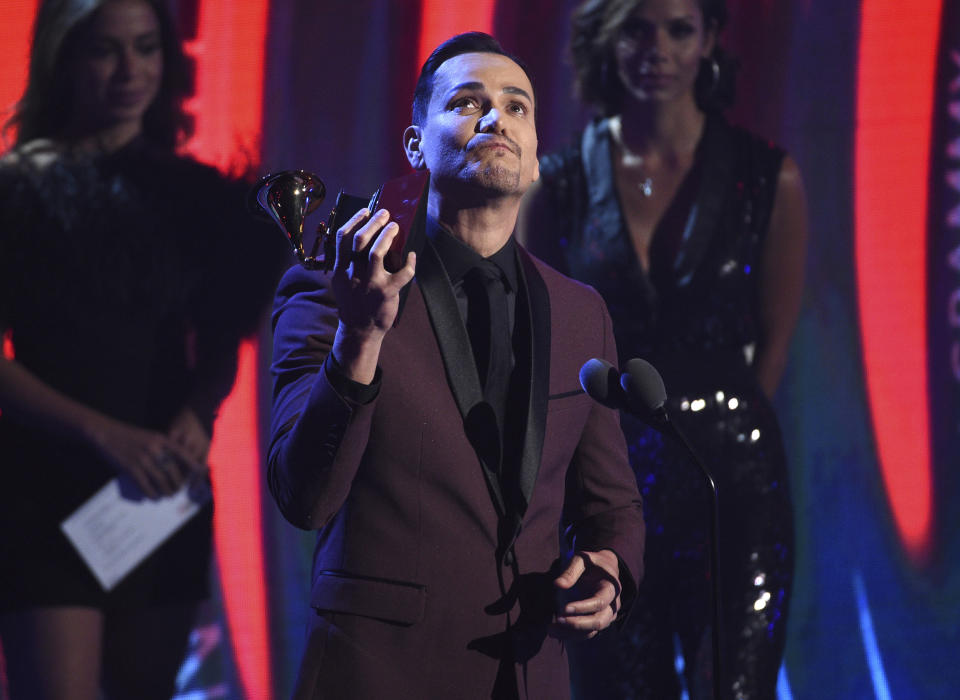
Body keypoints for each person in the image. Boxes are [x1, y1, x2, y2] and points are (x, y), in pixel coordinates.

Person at [268, 32, 645, 700]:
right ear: (416, 146)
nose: (496, 118)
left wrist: (610, 571)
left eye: (516, 107)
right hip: (379, 676)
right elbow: (305, 495)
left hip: (530, 675)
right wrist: (360, 335)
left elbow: (611, 505)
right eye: (468, 103)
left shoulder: (583, 312)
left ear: (534, 160)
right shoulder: (332, 283)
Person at [519, 0, 808, 697]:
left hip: (733, 486)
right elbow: (538, 343)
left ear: (710, 39)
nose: (657, 48)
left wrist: (730, 428)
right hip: (605, 489)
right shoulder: (554, 184)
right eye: (637, 28)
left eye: (679, 28)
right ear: (606, 40)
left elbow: (774, 338)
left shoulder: (769, 177)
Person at [0, 1, 287, 698]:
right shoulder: (15, 191)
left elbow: (223, 336)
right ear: (63, 58)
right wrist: (104, 435)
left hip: (157, 484)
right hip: (45, 486)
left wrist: (200, 413)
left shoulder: (204, 199)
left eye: (146, 48)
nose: (131, 70)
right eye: (107, 50)